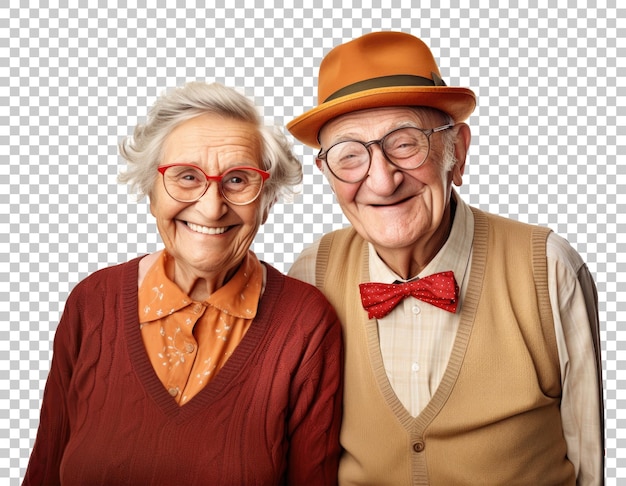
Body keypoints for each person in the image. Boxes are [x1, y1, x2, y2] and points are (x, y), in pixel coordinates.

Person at [287, 31, 603, 485]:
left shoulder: (549, 268)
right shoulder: (311, 274)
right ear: (327, 174)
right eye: (349, 155)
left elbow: (588, 460)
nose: (381, 180)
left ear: (457, 151)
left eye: (405, 142)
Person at [23, 81, 343, 486]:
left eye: (238, 180)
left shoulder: (306, 323)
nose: (211, 207)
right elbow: (44, 472)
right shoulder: (92, 302)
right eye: (187, 177)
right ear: (151, 191)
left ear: (269, 201)